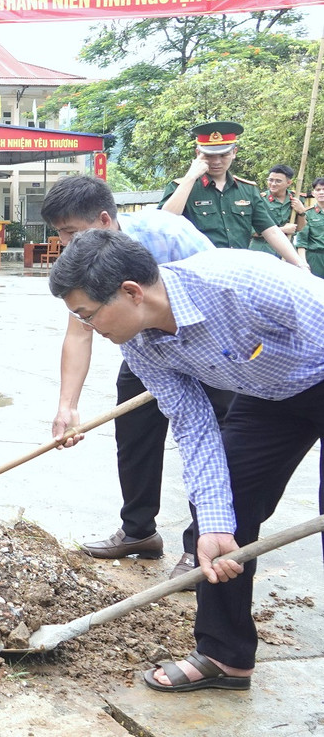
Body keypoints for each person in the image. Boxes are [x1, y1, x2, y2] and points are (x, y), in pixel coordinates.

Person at [49, 230, 324, 693]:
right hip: (269, 395)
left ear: (132, 292)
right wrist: (216, 524)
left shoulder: (243, 284)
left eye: (89, 316)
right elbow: (194, 426)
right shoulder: (138, 343)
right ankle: (224, 654)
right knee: (221, 510)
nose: (89, 328)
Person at [41, 175, 224, 577]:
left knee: (207, 439)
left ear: (104, 220)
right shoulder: (81, 264)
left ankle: (200, 544)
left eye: (71, 232)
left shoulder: (168, 235)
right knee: (134, 432)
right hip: (147, 349)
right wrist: (67, 406)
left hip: (207, 345)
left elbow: (217, 292)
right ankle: (138, 530)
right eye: (60, 235)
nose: (65, 245)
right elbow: (79, 330)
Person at [160, 121, 301, 262]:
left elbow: (271, 231)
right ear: (198, 154)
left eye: (223, 155)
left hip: (238, 269)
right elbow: (162, 223)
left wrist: (300, 265)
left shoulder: (248, 190)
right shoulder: (181, 187)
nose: (216, 161)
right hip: (198, 269)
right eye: (209, 155)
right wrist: (190, 178)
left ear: (234, 152)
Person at [249, 164, 306, 257]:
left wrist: (301, 212)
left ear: (289, 183)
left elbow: (300, 228)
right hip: (262, 250)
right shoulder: (259, 199)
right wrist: (282, 230)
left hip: (286, 251)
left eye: (278, 181)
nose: (273, 184)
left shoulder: (296, 199)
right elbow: (253, 231)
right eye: (270, 180)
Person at [295, 176, 324, 277]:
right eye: (318, 190)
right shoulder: (307, 214)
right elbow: (301, 241)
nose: (321, 192)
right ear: (313, 193)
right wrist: (303, 263)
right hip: (315, 258)